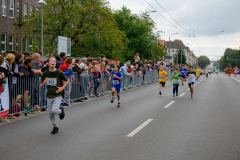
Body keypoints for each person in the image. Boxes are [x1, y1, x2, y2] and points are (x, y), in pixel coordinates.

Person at [40, 56, 69, 134]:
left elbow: (67, 80)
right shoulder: (46, 73)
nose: (53, 62)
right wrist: (44, 83)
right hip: (49, 95)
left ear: (56, 63)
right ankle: (55, 126)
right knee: (50, 113)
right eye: (51, 61)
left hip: (57, 94)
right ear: (48, 63)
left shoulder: (59, 72)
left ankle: (61, 110)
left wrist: (62, 88)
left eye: (54, 61)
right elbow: (41, 86)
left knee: (54, 110)